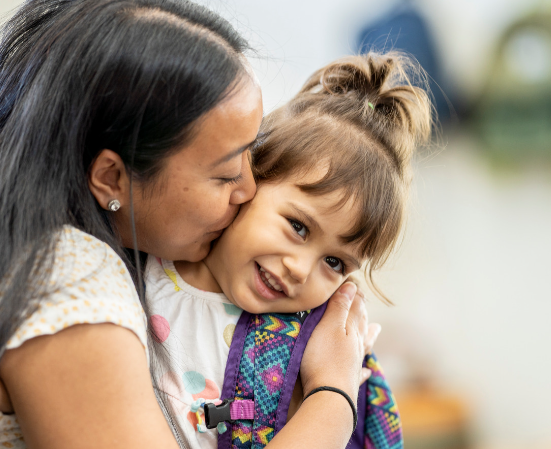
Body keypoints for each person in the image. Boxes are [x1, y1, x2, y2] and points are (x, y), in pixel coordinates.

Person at [0, 1, 370, 448]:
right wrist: (334, 392)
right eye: (225, 172)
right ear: (111, 178)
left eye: (253, 153)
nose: (248, 189)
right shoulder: (67, 280)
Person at [145, 52, 431, 448]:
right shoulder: (140, 261)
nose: (299, 269)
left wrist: (328, 392)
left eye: (334, 262)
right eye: (298, 227)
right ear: (249, 177)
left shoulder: (313, 352)